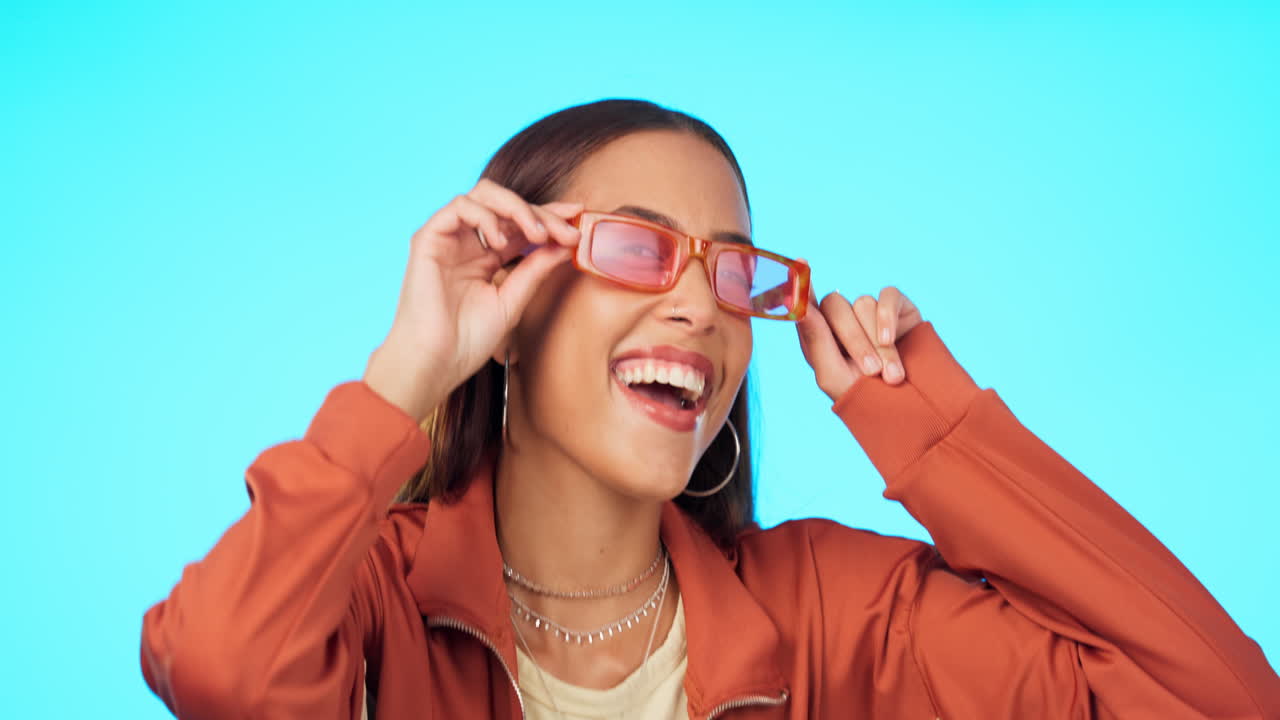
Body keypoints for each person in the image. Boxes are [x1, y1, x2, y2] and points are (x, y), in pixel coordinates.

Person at [139, 98, 1279, 720]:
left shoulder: (837, 618)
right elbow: (222, 675)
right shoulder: (371, 602)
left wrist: (929, 432)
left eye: (733, 272)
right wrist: (407, 377)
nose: (699, 306)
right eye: (639, 250)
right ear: (509, 306)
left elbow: (1214, 702)